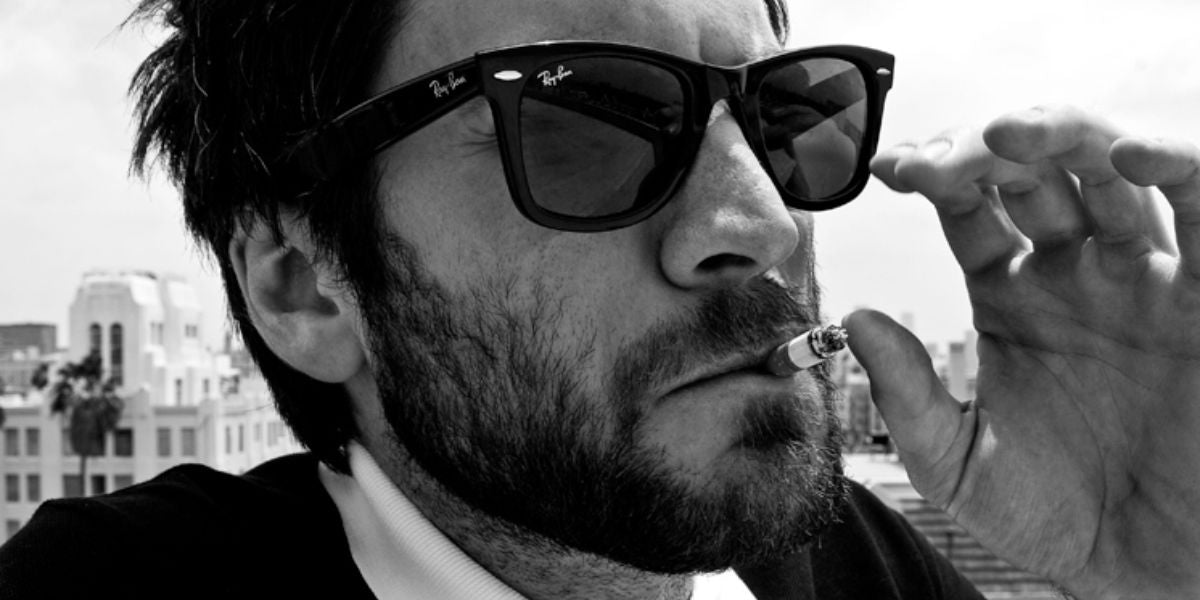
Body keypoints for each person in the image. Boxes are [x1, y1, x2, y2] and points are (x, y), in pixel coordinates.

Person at [2, 0, 1198, 598]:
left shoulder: (848, 564)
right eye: (585, 125)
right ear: (304, 283)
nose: (764, 224)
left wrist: (1145, 569)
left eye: (784, 119)